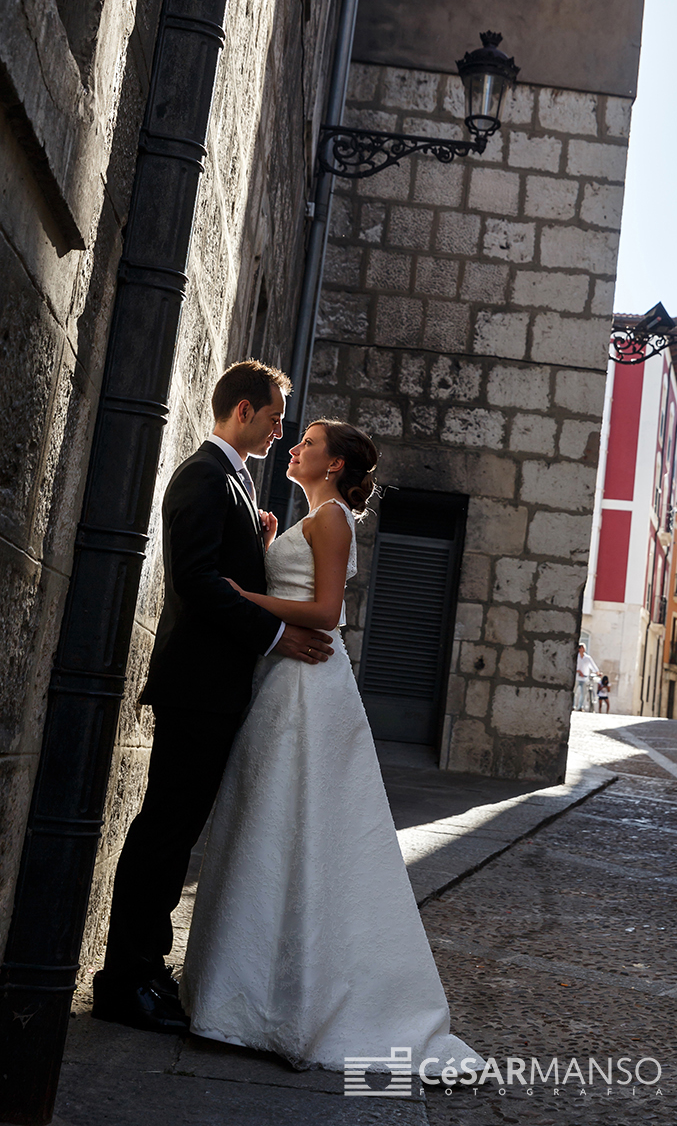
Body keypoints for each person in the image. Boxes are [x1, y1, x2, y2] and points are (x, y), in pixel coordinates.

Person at [181, 419, 481, 1076]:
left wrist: (240, 593)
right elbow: (297, 589)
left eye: (310, 443)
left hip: (308, 683)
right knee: (267, 822)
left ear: (337, 464)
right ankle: (245, 992)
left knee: (294, 824)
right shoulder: (315, 514)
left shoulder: (334, 518)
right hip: (284, 677)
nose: (296, 448)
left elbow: (325, 613)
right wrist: (264, 549)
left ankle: (278, 999)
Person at [93, 361, 334, 1034]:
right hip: (196, 687)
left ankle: (145, 966)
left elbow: (221, 570)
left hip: (213, 689)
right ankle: (124, 979)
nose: (280, 428)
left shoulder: (232, 477)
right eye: (275, 416)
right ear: (243, 412)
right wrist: (278, 635)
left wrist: (254, 545)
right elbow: (196, 581)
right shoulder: (203, 474)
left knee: (173, 835)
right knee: (162, 833)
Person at [574, 642, 601, 710]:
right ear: (579, 649)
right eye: (582, 647)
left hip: (584, 678)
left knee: (584, 693)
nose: (584, 649)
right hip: (577, 677)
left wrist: (597, 672)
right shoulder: (576, 657)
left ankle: (580, 706)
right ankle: (573, 706)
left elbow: (592, 665)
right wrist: (579, 671)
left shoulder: (587, 658)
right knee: (574, 692)